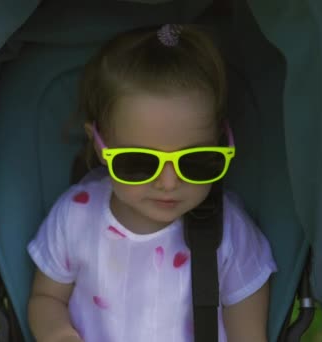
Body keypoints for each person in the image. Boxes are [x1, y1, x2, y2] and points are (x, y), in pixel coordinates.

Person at [26, 24, 277, 342]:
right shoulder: (75, 219)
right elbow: (48, 298)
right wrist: (57, 333)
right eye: (139, 163)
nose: (169, 183)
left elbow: (249, 334)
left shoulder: (228, 233)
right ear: (100, 146)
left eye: (194, 162)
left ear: (222, 143)